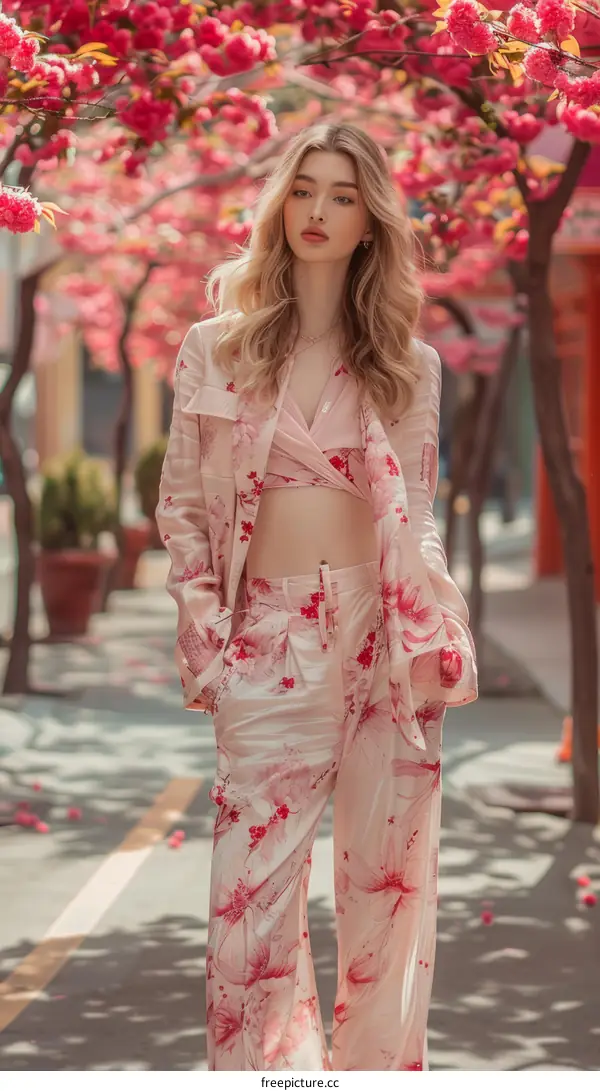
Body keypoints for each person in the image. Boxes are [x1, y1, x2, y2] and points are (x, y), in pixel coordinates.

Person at [156, 121, 478, 1073]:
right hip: (267, 636)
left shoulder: (406, 364)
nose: (319, 211)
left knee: (388, 897)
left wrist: (439, 620)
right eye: (303, 190)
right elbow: (182, 509)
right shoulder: (216, 347)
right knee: (248, 909)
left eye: (342, 195)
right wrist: (209, 637)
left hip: (386, 637)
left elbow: (415, 512)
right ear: (280, 204)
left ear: (369, 220)